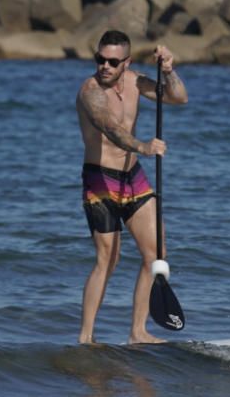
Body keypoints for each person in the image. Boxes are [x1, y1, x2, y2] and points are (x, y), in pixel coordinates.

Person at [75, 30, 188, 344]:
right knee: (107, 259)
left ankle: (138, 332)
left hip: (132, 177)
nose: (105, 66)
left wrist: (168, 72)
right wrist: (143, 147)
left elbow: (178, 97)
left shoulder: (137, 82)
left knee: (157, 253)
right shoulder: (90, 91)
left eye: (112, 61)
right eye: (100, 59)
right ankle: (86, 338)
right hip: (100, 179)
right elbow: (110, 128)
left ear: (127, 62)